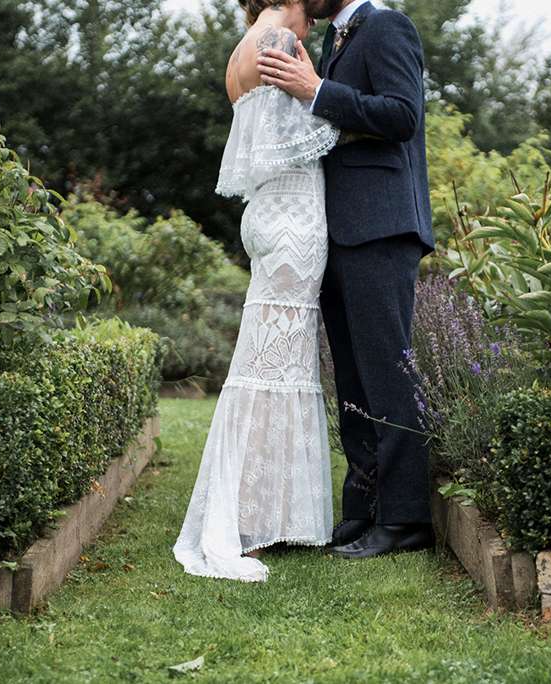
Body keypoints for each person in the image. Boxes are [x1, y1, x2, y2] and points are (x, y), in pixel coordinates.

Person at [257, 0, 436, 559]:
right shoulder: (336, 40)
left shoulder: (387, 26)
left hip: (381, 227)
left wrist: (316, 91)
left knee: (387, 376)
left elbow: (403, 114)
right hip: (339, 230)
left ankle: (406, 519)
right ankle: (364, 508)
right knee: (354, 381)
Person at [172, 0, 339, 583]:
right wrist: (325, 97)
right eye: (311, 9)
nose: (315, 18)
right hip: (294, 217)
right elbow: (293, 142)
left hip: (265, 216)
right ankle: (248, 517)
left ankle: (262, 509)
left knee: (266, 365)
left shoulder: (240, 52)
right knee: (277, 367)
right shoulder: (281, 45)